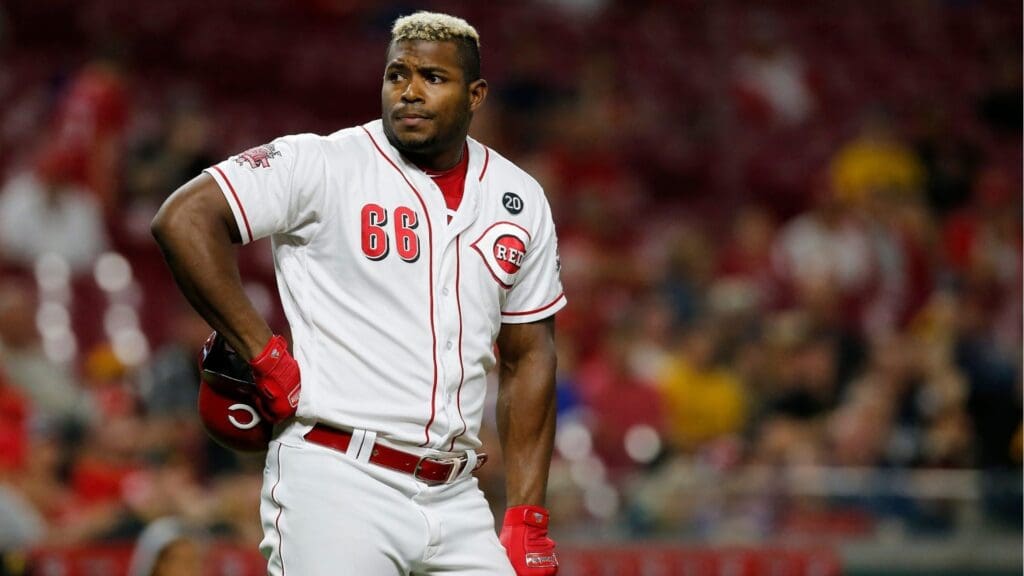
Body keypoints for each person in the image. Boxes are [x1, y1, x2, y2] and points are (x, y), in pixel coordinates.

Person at [151, 11, 564, 576]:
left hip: (457, 493)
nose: (411, 91)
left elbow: (530, 353)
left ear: (476, 95)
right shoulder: (325, 162)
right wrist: (261, 349)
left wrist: (526, 513)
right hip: (338, 477)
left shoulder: (520, 197)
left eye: (433, 78)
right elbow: (184, 218)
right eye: (398, 75)